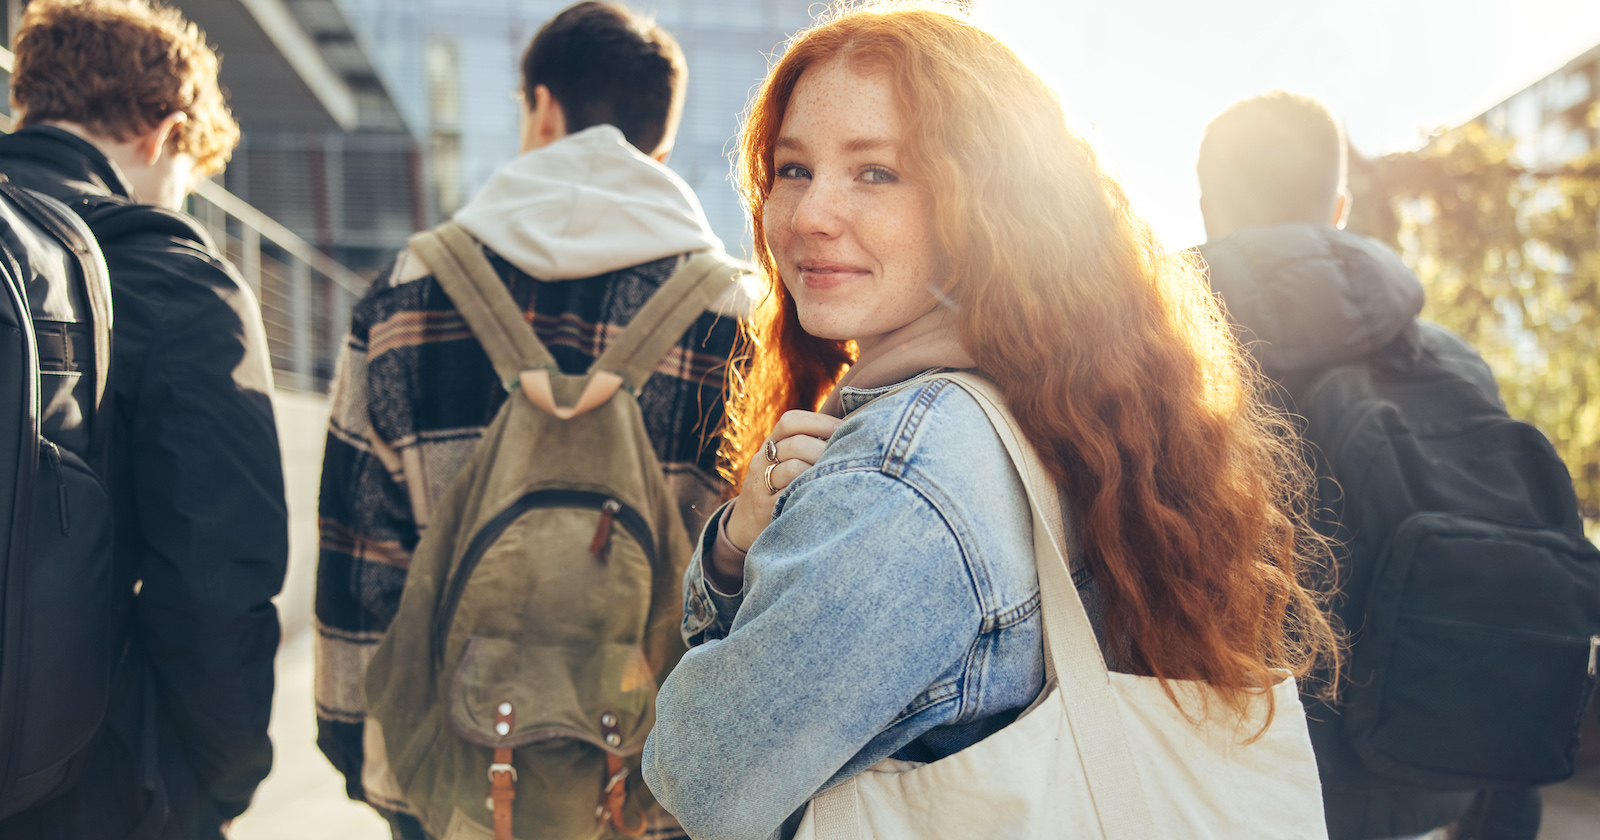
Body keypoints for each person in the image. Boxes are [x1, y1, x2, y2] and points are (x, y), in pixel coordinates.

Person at [639, 6, 1342, 840]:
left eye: (876, 174)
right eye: (793, 169)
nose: (807, 215)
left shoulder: (905, 475)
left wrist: (731, 553)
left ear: (988, 202)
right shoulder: (1059, 397)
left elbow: (701, 773)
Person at [312, 2, 743, 837]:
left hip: (457, 788)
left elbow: (359, 551)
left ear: (542, 108)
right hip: (656, 794)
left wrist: (363, 755)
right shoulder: (735, 313)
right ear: (658, 137)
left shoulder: (408, 292)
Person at [1196, 92, 1543, 840]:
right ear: (1340, 206)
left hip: (1219, 793)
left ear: (1207, 207)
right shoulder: (1452, 363)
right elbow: (1515, 582)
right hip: (1415, 792)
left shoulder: (1156, 367)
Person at [0, 1, 288, 838]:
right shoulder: (174, 275)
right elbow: (220, 575)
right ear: (166, 135)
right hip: (94, 781)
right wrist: (219, 785)